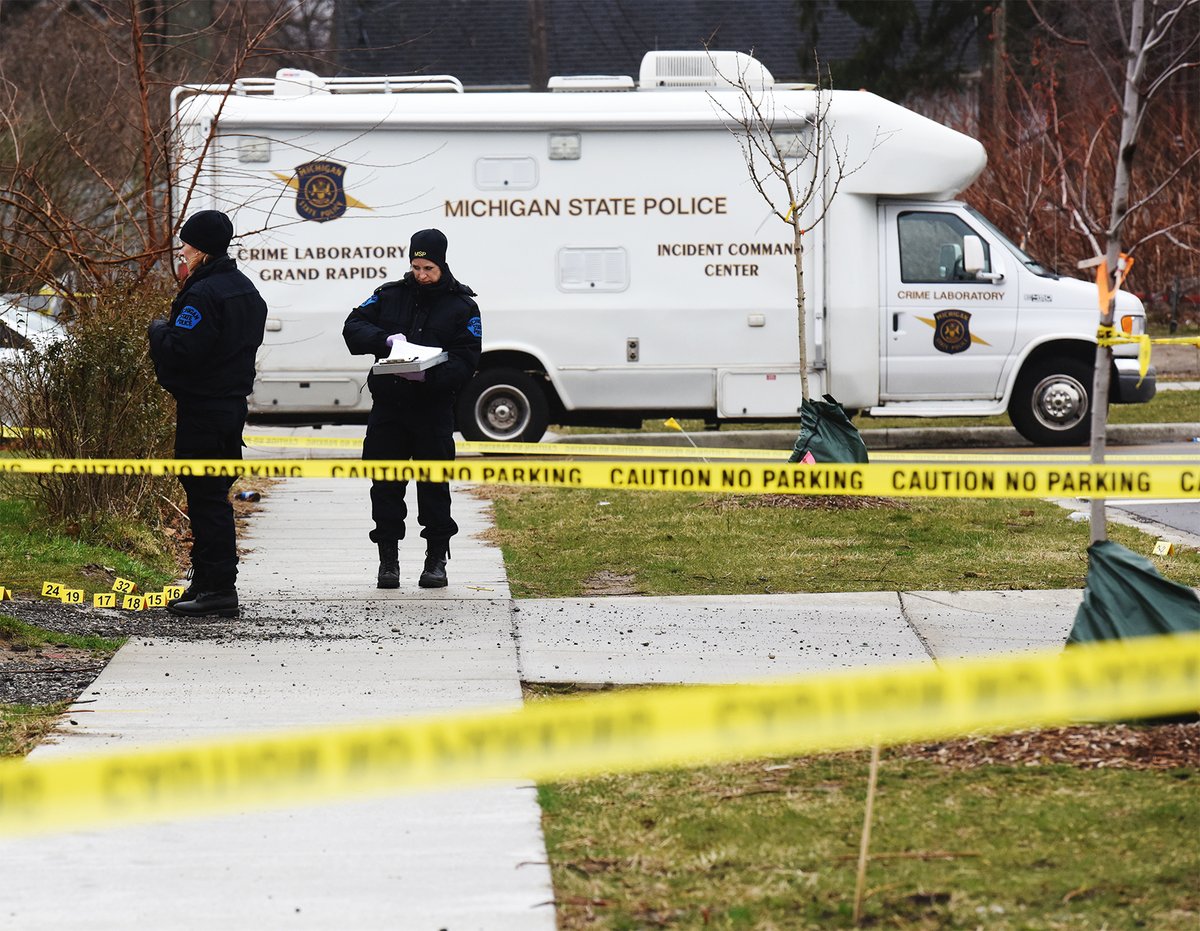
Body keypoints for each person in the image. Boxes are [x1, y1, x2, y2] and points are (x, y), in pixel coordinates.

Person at [342, 228, 482, 589]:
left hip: (432, 411)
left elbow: (467, 362)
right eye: (416, 266)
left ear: (442, 264)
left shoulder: (463, 306)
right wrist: (384, 340)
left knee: (434, 487)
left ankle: (436, 560)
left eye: (429, 268)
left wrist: (428, 378)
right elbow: (352, 327)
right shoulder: (390, 296)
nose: (421, 275)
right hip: (389, 410)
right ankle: (388, 560)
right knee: (385, 486)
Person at [148, 210, 268, 618]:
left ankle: (217, 589)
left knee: (206, 498)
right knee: (210, 494)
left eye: (185, 244)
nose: (182, 251)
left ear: (199, 249)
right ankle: (206, 581)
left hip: (204, 409)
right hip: (230, 408)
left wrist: (158, 331)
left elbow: (183, 350)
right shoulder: (245, 289)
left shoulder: (204, 293)